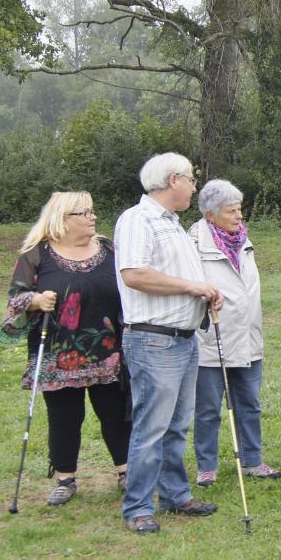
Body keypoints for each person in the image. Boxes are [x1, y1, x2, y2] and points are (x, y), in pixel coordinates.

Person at [114, 153, 223, 533]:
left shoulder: (173, 224)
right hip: (154, 341)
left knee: (177, 425)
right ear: (174, 180)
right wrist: (192, 286)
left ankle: (176, 494)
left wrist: (205, 293)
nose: (195, 186)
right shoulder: (137, 219)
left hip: (184, 339)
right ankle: (139, 506)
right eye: (191, 179)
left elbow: (175, 275)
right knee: (152, 426)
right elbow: (134, 273)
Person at [0, 192, 129, 506]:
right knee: (64, 417)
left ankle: (127, 472)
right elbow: (15, 298)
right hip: (60, 353)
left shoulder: (110, 249)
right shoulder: (37, 253)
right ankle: (65, 479)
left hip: (107, 350)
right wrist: (35, 300)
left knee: (116, 413)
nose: (92, 217)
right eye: (83, 213)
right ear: (63, 219)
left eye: (92, 211)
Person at [190, 180, 281, 487]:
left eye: (239, 209)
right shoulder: (193, 243)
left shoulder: (242, 240)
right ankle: (206, 466)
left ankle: (253, 461)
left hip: (247, 335)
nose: (239, 216)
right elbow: (186, 286)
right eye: (232, 210)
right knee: (207, 407)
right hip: (211, 336)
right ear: (210, 214)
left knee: (249, 402)